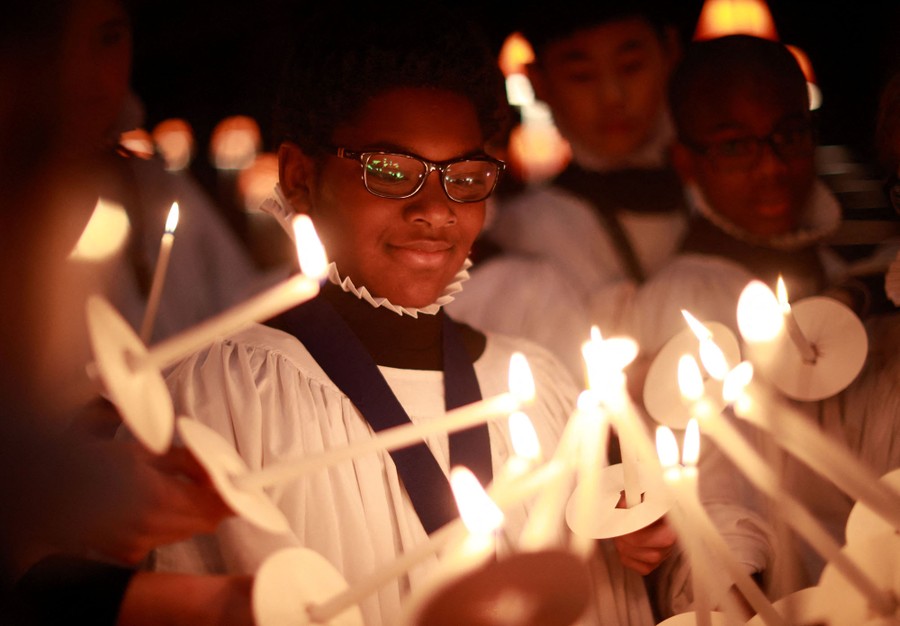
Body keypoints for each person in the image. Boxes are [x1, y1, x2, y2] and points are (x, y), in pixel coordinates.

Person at [150, 3, 682, 625]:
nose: (436, 208)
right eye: (390, 172)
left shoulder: (538, 386)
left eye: (466, 176)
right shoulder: (223, 398)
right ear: (299, 177)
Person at [0, 1, 255, 623]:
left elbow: (243, 325)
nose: (81, 76)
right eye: (45, 42)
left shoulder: (151, 195)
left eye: (109, 38)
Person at [624, 34, 899, 606]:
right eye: (735, 146)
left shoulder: (833, 269)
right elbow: (706, 500)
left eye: (790, 136)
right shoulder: (685, 300)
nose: (771, 166)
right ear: (686, 160)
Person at [448, 0, 690, 381]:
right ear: (538, 82)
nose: (612, 96)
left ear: (671, 52)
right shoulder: (523, 233)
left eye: (631, 67)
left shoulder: (726, 198)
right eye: (581, 75)